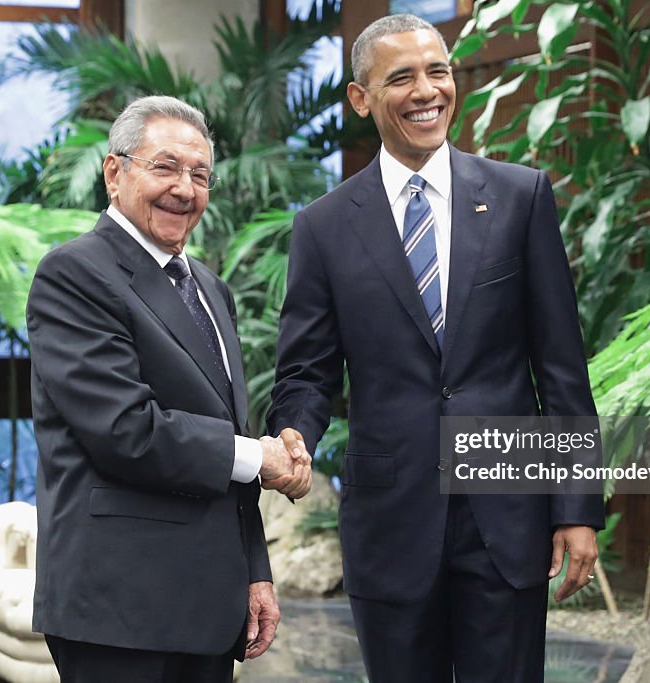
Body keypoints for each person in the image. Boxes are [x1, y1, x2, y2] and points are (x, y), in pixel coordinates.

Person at [267, 14, 604, 683]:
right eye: (402, 77)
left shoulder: (520, 197)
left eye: (438, 71)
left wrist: (575, 506)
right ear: (362, 99)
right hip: (391, 521)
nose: (427, 91)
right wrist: (293, 432)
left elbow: (560, 368)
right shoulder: (324, 227)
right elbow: (306, 373)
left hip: (505, 511)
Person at [27, 95, 312, 683]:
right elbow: (125, 430)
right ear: (114, 171)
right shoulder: (74, 273)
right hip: (118, 608)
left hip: (208, 606)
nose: (185, 188)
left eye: (200, 174)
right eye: (165, 167)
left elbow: (229, 435)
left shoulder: (210, 287)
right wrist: (261, 455)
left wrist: (255, 572)